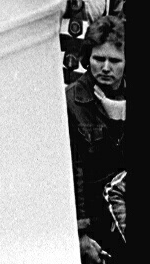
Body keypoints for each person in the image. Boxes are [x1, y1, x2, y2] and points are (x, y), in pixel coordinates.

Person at [67, 16, 126, 264]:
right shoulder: (72, 102)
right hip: (94, 229)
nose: (105, 67)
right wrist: (80, 235)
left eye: (114, 61)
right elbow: (72, 172)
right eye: (98, 59)